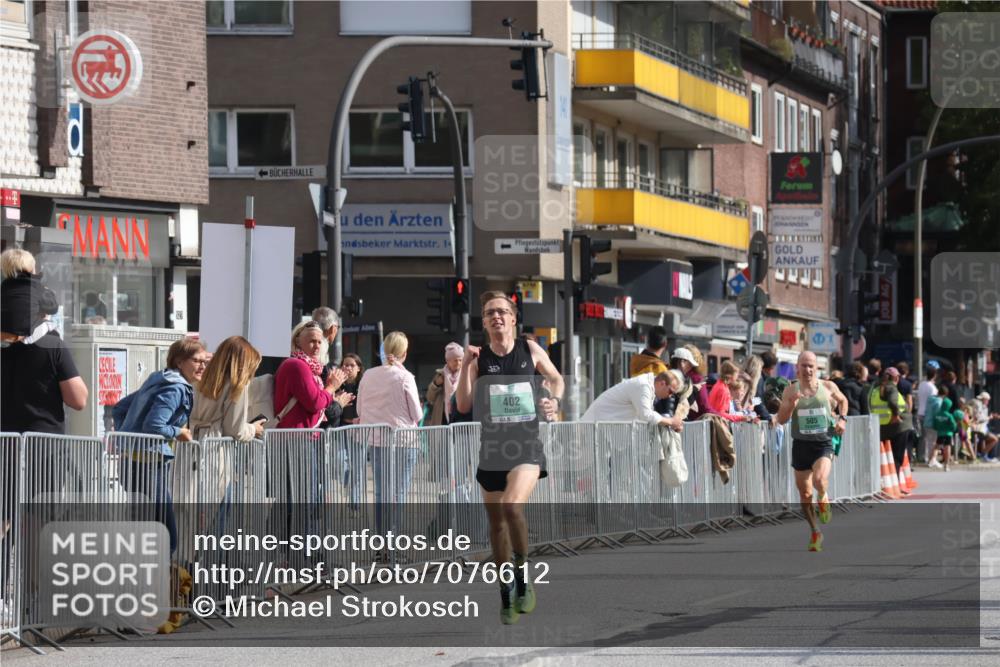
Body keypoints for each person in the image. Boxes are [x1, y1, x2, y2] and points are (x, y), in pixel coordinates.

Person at [455, 291, 563, 625]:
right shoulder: (478, 358)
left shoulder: (529, 349)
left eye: (502, 311)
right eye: (489, 313)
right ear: (484, 322)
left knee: (511, 507)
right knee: (497, 525)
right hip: (491, 450)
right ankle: (505, 590)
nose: (496, 317)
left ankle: (523, 575)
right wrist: (464, 369)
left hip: (526, 447)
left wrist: (553, 401)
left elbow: (556, 379)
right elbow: (462, 405)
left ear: (513, 318)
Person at [112, 337, 209, 554]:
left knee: (144, 532)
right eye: (196, 360)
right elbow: (154, 425)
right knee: (167, 537)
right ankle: (155, 584)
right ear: (178, 362)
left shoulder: (158, 380)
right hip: (148, 466)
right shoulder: (175, 388)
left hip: (132, 463)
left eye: (205, 361)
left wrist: (127, 438)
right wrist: (179, 433)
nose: (202, 366)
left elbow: (119, 409)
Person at [775, 351, 849, 552]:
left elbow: (843, 401)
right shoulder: (790, 391)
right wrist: (791, 405)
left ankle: (824, 496)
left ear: (817, 368)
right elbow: (781, 419)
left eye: (811, 366)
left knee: (818, 481)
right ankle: (816, 531)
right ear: (797, 367)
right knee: (805, 493)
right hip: (801, 445)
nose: (807, 370)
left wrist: (842, 420)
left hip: (822, 443)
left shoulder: (827, 387)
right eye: (804, 365)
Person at [357, 331, 423, 536]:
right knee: (398, 493)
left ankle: (381, 540)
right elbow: (417, 414)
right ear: (404, 353)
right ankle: (393, 542)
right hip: (403, 441)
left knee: (380, 493)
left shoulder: (368, 374)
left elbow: (360, 409)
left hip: (376, 440)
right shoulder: (405, 377)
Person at [189, 336, 265, 442]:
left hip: (188, 443)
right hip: (213, 447)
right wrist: (253, 429)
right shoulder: (237, 385)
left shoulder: (198, 376)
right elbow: (235, 430)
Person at [274, 320, 347, 429]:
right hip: (295, 439)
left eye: (319, 342)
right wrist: (331, 386)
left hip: (299, 436)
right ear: (297, 341)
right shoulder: (297, 365)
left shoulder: (309, 366)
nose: (317, 346)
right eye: (312, 341)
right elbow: (316, 403)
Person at [581, 371, 682, 428]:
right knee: (583, 465)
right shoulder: (643, 386)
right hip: (592, 429)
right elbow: (646, 415)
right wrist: (671, 422)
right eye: (670, 392)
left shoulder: (647, 385)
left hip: (599, 429)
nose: (670, 396)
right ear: (662, 383)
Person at [426, 342, 463, 426]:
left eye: (460, 360)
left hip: (461, 416)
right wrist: (436, 384)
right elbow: (430, 398)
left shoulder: (465, 375)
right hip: (442, 418)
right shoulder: (440, 375)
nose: (458, 363)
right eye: (455, 360)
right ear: (447, 361)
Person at [929, 387, 958, 472]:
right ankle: (946, 465)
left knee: (937, 446)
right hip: (948, 433)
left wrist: (937, 428)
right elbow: (953, 425)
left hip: (940, 433)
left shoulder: (938, 414)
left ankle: (932, 460)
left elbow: (935, 424)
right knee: (947, 448)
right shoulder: (949, 415)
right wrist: (953, 429)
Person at [916, 363, 939, 463]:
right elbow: (934, 402)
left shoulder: (921, 384)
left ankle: (921, 456)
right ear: (934, 375)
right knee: (931, 438)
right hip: (928, 414)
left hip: (920, 412)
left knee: (922, 436)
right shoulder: (933, 388)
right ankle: (929, 458)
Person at [337, 354, 364, 426]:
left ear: (358, 368)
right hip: (341, 425)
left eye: (352, 365)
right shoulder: (337, 384)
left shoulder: (363, 384)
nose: (348, 368)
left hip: (360, 425)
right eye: (345, 365)